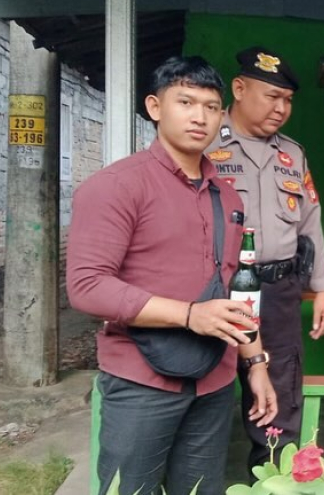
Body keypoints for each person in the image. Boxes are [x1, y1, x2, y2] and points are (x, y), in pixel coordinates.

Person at [67, 56, 277, 495]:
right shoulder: (116, 186)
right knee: (130, 489)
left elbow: (236, 287)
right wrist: (189, 315)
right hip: (142, 380)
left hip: (214, 380)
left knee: (200, 489)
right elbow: (87, 286)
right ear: (155, 107)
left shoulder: (227, 197)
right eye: (185, 102)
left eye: (211, 107)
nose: (200, 116)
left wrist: (255, 363)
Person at [206, 46, 324, 470]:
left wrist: (322, 289)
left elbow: (310, 222)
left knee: (278, 394)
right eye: (272, 96)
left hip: (278, 290)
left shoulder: (292, 154)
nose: (281, 109)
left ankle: (272, 479)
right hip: (216, 289)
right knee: (205, 388)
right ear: (239, 89)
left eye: (288, 100)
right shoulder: (204, 141)